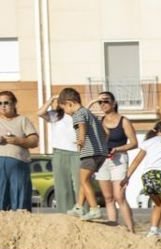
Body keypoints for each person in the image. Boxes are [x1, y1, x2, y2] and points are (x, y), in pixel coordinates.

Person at [91, 92, 138, 232]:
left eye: (105, 101)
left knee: (119, 196)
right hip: (102, 160)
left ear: (114, 102)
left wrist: (117, 149)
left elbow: (134, 143)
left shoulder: (123, 121)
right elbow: (84, 113)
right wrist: (93, 101)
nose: (103, 104)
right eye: (100, 102)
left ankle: (131, 229)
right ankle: (114, 229)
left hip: (119, 158)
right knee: (108, 197)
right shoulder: (99, 121)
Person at [123, 121, 161, 238]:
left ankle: (153, 231)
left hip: (148, 176)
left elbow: (137, 160)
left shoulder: (148, 142)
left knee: (158, 205)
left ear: (156, 131)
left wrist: (127, 176)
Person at [57, 88, 105, 221]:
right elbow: (104, 132)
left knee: (83, 180)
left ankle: (94, 209)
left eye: (64, 109)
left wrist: (81, 140)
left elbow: (82, 126)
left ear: (70, 103)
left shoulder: (78, 114)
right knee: (85, 180)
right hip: (100, 153)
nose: (66, 113)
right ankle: (78, 207)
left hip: (89, 153)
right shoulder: (89, 113)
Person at [38, 96, 78, 213]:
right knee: (62, 185)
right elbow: (40, 113)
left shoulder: (78, 115)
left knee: (79, 184)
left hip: (77, 152)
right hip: (59, 152)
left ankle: (82, 211)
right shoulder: (56, 115)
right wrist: (51, 99)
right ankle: (64, 212)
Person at [0, 91, 38, 211]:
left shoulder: (23, 120)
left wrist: (17, 141)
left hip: (19, 164)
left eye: (6, 102)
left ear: (14, 103)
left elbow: (34, 141)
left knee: (20, 198)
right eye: (0, 103)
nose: (3, 106)